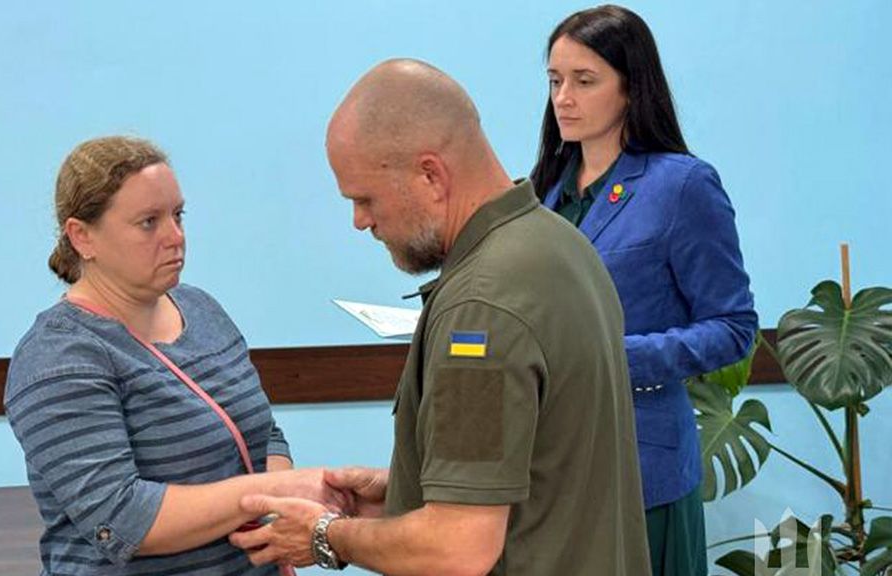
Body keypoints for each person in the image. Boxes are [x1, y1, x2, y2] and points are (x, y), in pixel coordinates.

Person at [229, 59, 651, 576]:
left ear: (430, 175)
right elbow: (544, 476)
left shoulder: (481, 308)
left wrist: (326, 536)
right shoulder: (560, 246)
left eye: (365, 198)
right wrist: (403, 494)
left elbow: (458, 548)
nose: (360, 221)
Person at [4, 136, 343, 575]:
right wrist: (274, 490)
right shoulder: (58, 357)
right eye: (148, 222)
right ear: (82, 237)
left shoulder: (202, 310)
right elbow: (123, 518)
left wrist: (281, 508)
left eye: (177, 215)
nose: (175, 237)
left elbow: (264, 437)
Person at [531, 6, 759, 576]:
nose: (564, 98)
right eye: (555, 81)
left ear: (632, 87)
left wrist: (615, 359)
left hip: (640, 464)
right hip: (547, 463)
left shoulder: (682, 185)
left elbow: (733, 327)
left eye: (585, 81)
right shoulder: (542, 192)